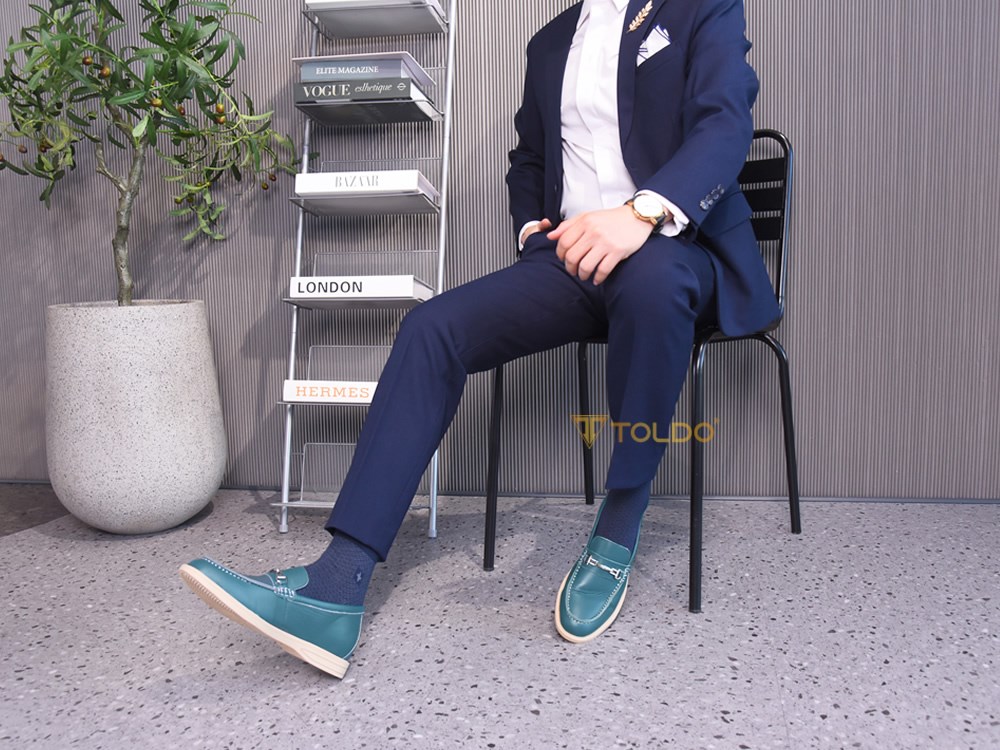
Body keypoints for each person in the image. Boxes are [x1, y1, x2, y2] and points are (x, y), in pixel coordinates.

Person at [180, 0, 778, 679]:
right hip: (572, 260)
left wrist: (639, 214)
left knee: (652, 284)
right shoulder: (551, 41)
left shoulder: (700, 7)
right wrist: (531, 229)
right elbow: (530, 157)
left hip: (675, 248)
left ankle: (618, 524)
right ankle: (335, 587)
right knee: (432, 328)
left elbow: (725, 122)